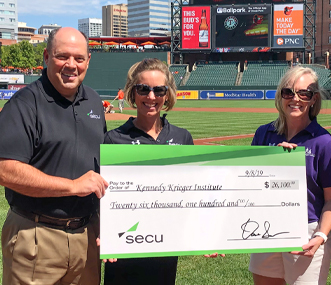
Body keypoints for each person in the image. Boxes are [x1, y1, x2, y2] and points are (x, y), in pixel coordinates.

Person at [0, 27, 108, 285]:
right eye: (62, 56)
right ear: (47, 57)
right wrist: (72, 187)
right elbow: (5, 169)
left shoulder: (93, 102)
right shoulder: (24, 104)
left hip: (86, 234)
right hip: (36, 234)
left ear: (88, 61)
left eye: (79, 58)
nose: (71, 65)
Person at [249, 66, 331, 285]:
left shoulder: (325, 142)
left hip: (307, 230)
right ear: (281, 96)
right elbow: (248, 183)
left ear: (313, 99)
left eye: (304, 93)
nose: (295, 99)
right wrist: (273, 161)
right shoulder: (264, 134)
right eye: (288, 92)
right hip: (266, 224)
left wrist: (320, 236)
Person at [103, 58, 193, 284]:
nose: (151, 97)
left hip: (164, 250)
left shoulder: (183, 138)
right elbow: (101, 198)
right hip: (124, 251)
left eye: (158, 90)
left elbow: (195, 194)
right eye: (143, 89)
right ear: (133, 93)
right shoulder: (113, 140)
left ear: (167, 94)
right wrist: (106, 235)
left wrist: (209, 236)